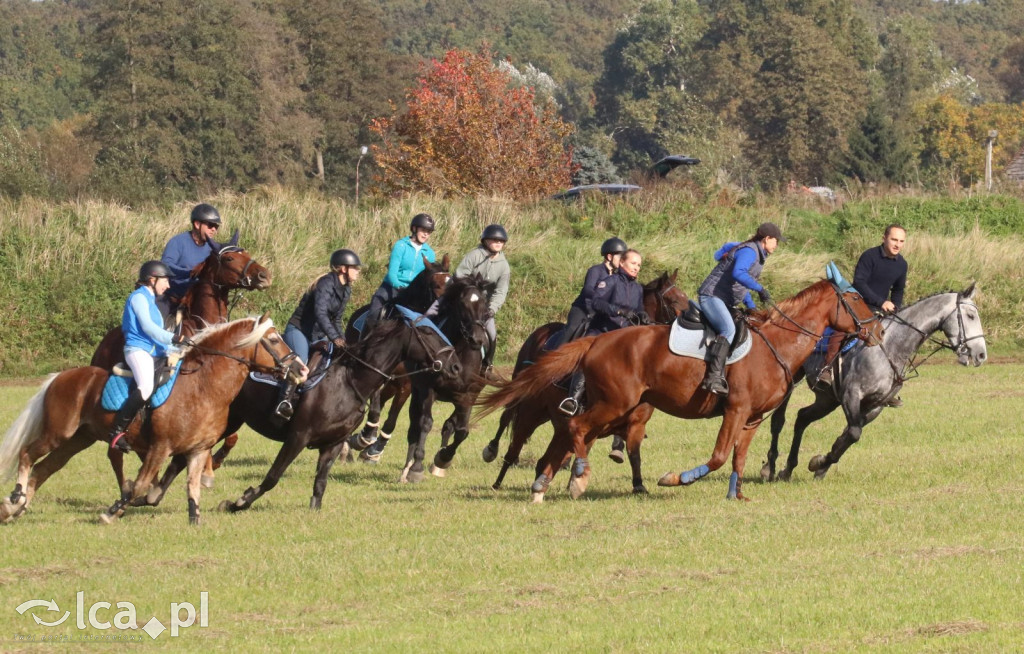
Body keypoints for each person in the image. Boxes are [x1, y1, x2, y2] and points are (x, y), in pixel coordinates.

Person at [820, 224, 908, 401]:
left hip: (881, 311)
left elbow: (898, 290)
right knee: (842, 330)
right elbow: (859, 283)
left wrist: (895, 309)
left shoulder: (902, 265)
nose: (897, 244)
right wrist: (881, 301)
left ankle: (888, 386)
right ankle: (827, 370)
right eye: (894, 239)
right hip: (858, 305)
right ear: (884, 238)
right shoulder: (870, 256)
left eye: (901, 241)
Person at [696, 222, 785, 396]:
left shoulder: (757, 254)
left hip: (724, 299)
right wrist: (759, 289)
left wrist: (751, 307)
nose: (777, 245)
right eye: (776, 241)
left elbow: (738, 285)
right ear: (767, 239)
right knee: (728, 329)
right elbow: (739, 273)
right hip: (712, 296)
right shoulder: (750, 251)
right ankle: (713, 377)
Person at [273, 249, 360, 423]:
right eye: (355, 268)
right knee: (302, 363)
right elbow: (320, 313)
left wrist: (342, 341)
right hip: (299, 330)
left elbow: (337, 319)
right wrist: (334, 338)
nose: (358, 271)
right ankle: (284, 402)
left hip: (319, 335)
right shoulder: (326, 283)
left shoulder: (346, 290)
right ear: (343, 268)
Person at [559, 249, 647, 418]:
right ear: (622, 263)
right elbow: (596, 302)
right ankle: (573, 399)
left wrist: (643, 314)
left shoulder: (638, 289)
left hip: (622, 336)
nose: (637, 267)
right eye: (633, 263)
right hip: (601, 331)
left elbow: (639, 308)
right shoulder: (610, 281)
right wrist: (618, 311)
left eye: (639, 265)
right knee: (587, 357)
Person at [106, 261, 179, 453]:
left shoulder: (152, 302)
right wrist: (174, 337)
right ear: (152, 279)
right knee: (146, 387)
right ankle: (116, 431)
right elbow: (148, 328)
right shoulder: (138, 298)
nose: (168, 285)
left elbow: (159, 336)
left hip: (154, 351)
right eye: (166, 280)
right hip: (138, 350)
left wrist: (176, 347)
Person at [364, 213, 436, 330]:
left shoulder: (430, 253)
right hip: (392, 287)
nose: (425, 234)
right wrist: (399, 286)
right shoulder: (401, 245)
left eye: (428, 232)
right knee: (375, 309)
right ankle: (365, 338)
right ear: (414, 228)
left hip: (414, 292)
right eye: (423, 230)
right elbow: (392, 272)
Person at [454, 224, 511, 373]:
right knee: (439, 315)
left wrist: (492, 309)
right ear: (485, 240)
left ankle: (487, 365)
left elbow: (501, 291)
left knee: (492, 334)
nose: (498, 243)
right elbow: (460, 275)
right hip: (466, 301)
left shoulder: (504, 266)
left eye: (501, 241)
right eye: (494, 240)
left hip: (483, 307)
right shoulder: (474, 256)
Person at [160, 203, 223, 319]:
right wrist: (189, 272)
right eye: (210, 225)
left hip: (198, 301)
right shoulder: (178, 242)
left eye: (216, 226)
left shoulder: (213, 249)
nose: (214, 229)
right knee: (159, 323)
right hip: (173, 298)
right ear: (197, 224)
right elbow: (166, 265)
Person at [563, 237, 628, 342]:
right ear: (609, 256)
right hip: (583, 310)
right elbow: (587, 289)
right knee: (571, 329)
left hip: (601, 313)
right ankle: (554, 353)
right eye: (620, 257)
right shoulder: (595, 270)